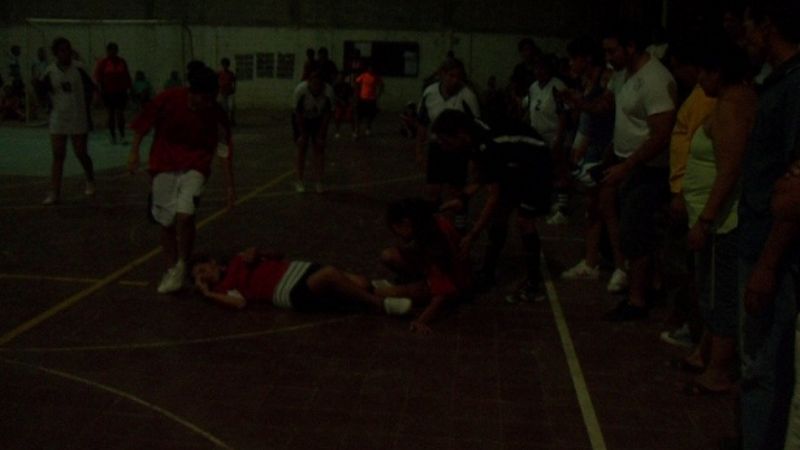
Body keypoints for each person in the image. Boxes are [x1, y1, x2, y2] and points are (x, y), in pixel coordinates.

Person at [736, 1, 800, 448]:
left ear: (767, 25)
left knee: (763, 367)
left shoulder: (795, 86)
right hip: (758, 237)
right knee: (756, 365)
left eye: (747, 28)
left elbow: (795, 190)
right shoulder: (775, 82)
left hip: (772, 249)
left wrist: (767, 264)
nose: (744, 39)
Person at [678, 37, 756, 396]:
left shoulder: (732, 106)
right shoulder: (729, 100)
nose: (698, 81)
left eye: (703, 74)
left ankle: (719, 370)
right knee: (713, 287)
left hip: (723, 220)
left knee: (719, 292)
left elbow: (730, 170)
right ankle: (706, 353)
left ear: (718, 73)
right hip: (714, 214)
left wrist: (706, 219)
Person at [128, 64, 236, 294]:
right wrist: (134, 152)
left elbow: (224, 148)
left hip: (195, 165)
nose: (210, 102)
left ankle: (183, 264)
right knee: (166, 221)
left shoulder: (215, 112)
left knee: (186, 216)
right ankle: (171, 267)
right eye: (206, 98)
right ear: (193, 93)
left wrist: (229, 186)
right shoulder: (168, 99)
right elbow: (142, 125)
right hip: (164, 164)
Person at [432, 109, 552, 302]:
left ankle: (534, 283)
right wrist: (463, 198)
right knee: (499, 217)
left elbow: (493, 197)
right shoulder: (474, 138)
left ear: (460, 134)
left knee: (524, 221)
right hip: (514, 162)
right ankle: (488, 271)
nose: (445, 146)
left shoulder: (488, 144)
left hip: (536, 165)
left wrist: (472, 235)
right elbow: (484, 175)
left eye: (447, 141)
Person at [601, 23, 677, 321]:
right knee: (630, 230)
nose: (608, 57)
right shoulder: (624, 76)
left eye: (612, 50)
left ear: (630, 47)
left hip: (648, 169)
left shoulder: (655, 79)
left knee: (636, 232)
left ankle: (637, 300)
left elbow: (660, 134)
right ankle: (649, 285)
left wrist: (628, 165)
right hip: (627, 164)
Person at [559, 36, 625, 289]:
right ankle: (591, 261)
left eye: (573, 58)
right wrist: (579, 146)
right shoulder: (588, 82)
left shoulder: (607, 78)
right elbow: (588, 119)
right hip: (593, 149)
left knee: (608, 209)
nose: (570, 63)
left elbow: (601, 110)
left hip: (607, 150)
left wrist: (577, 102)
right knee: (593, 208)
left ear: (586, 59)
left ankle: (621, 266)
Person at [191, 247, 413, 315]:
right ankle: (382, 306)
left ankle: (412, 291)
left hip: (298, 268)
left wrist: (258, 252)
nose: (203, 276)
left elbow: (279, 254)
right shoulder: (223, 287)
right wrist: (208, 293)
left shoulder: (240, 259)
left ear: (212, 262)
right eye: (199, 277)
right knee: (329, 275)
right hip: (288, 289)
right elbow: (239, 303)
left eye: (202, 270)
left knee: (362, 283)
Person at [379, 198, 471, 333]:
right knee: (389, 255)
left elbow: (442, 293)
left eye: (396, 229)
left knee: (391, 293)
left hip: (455, 283)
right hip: (447, 272)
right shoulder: (431, 222)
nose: (397, 235)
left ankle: (420, 287)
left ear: (406, 223)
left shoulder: (433, 243)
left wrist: (421, 321)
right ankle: (417, 283)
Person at [416, 58, 481, 230]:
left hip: (458, 149)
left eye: (458, 76)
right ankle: (433, 225)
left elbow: (475, 128)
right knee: (432, 189)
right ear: (442, 75)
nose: (455, 80)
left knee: (456, 190)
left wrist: (474, 158)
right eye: (451, 75)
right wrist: (419, 150)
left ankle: (459, 226)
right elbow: (422, 123)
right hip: (437, 146)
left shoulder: (468, 96)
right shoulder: (430, 93)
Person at [40, 38, 96, 205]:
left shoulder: (79, 68)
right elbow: (43, 92)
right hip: (58, 118)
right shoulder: (49, 72)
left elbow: (92, 88)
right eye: (62, 50)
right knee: (58, 156)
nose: (66, 53)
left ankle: (90, 178)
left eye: (68, 50)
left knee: (80, 153)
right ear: (56, 53)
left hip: (78, 117)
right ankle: (54, 192)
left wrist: (91, 105)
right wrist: (45, 102)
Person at [527, 54, 570, 224]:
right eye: (536, 68)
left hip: (554, 135)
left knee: (560, 172)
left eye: (542, 68)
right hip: (538, 136)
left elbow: (563, 114)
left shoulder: (557, 86)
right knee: (543, 172)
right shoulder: (533, 87)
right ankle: (551, 203)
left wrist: (558, 139)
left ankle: (563, 211)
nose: (539, 72)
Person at [292, 71, 334, 193]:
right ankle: (299, 181)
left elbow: (327, 115)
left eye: (318, 84)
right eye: (313, 84)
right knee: (301, 148)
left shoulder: (328, 93)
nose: (316, 87)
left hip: (318, 119)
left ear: (323, 84)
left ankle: (319, 181)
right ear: (308, 83)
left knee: (319, 149)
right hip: (302, 118)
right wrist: (302, 134)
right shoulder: (300, 91)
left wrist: (321, 135)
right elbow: (297, 114)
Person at [94, 42, 132, 144]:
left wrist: (130, 90)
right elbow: (98, 78)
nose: (113, 53)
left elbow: (127, 76)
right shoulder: (103, 63)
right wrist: (98, 94)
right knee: (110, 114)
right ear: (107, 51)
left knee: (120, 114)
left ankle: (122, 135)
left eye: (115, 50)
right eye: (111, 50)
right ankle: (112, 135)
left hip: (121, 92)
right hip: (108, 93)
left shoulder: (122, 62)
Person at [354, 64, 383, 137]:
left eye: (372, 68)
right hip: (363, 98)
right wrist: (357, 94)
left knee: (370, 115)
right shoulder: (363, 75)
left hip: (371, 99)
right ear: (367, 69)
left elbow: (381, 84)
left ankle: (368, 128)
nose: (371, 70)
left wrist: (378, 94)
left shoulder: (376, 76)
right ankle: (357, 130)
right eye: (370, 68)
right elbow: (357, 83)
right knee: (359, 115)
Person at [332, 72, 355, 139]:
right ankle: (337, 131)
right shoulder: (335, 86)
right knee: (337, 118)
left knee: (350, 117)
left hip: (347, 104)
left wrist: (351, 103)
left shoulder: (347, 86)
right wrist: (340, 101)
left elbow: (351, 95)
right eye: (339, 77)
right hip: (339, 104)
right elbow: (334, 96)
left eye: (342, 77)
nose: (340, 78)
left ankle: (353, 131)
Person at [31, 47, 50, 117]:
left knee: (45, 95)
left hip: (44, 81)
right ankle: (39, 108)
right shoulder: (35, 62)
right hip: (37, 81)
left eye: (42, 53)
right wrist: (34, 78)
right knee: (38, 95)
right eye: (40, 53)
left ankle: (45, 107)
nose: (41, 54)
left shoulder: (46, 63)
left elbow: (47, 73)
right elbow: (33, 72)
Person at [217, 57, 236, 125]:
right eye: (224, 65)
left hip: (229, 92)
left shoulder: (231, 73)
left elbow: (234, 81)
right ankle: (225, 121)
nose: (225, 66)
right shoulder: (219, 73)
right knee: (225, 108)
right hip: (222, 92)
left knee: (231, 107)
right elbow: (216, 81)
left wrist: (234, 88)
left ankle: (232, 120)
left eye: (226, 65)